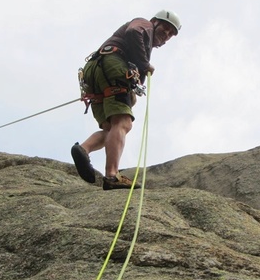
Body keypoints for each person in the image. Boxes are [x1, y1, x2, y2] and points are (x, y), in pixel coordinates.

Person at [71, 10, 181, 190]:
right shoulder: (144, 25)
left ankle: (83, 150)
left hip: (96, 71)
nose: (166, 34)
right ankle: (112, 175)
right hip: (112, 63)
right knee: (123, 122)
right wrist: (145, 66)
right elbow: (133, 32)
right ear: (155, 22)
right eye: (166, 28)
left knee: (111, 129)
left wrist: (133, 90)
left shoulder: (144, 46)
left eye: (171, 34)